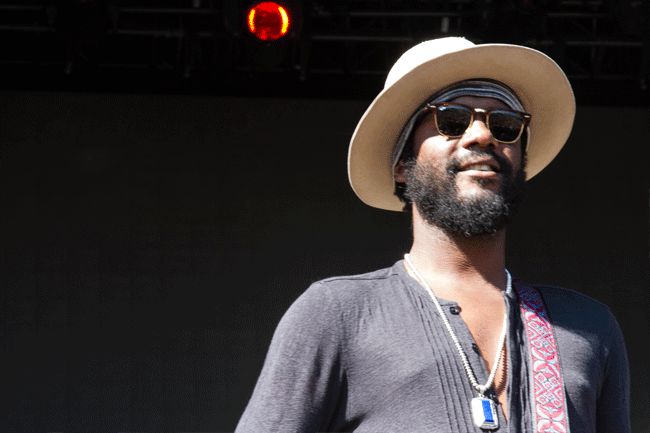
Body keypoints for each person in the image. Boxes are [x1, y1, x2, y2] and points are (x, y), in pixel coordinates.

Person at [235, 37, 630, 432]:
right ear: (403, 166)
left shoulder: (588, 327)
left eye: (506, 125)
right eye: (453, 120)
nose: (482, 136)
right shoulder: (336, 314)